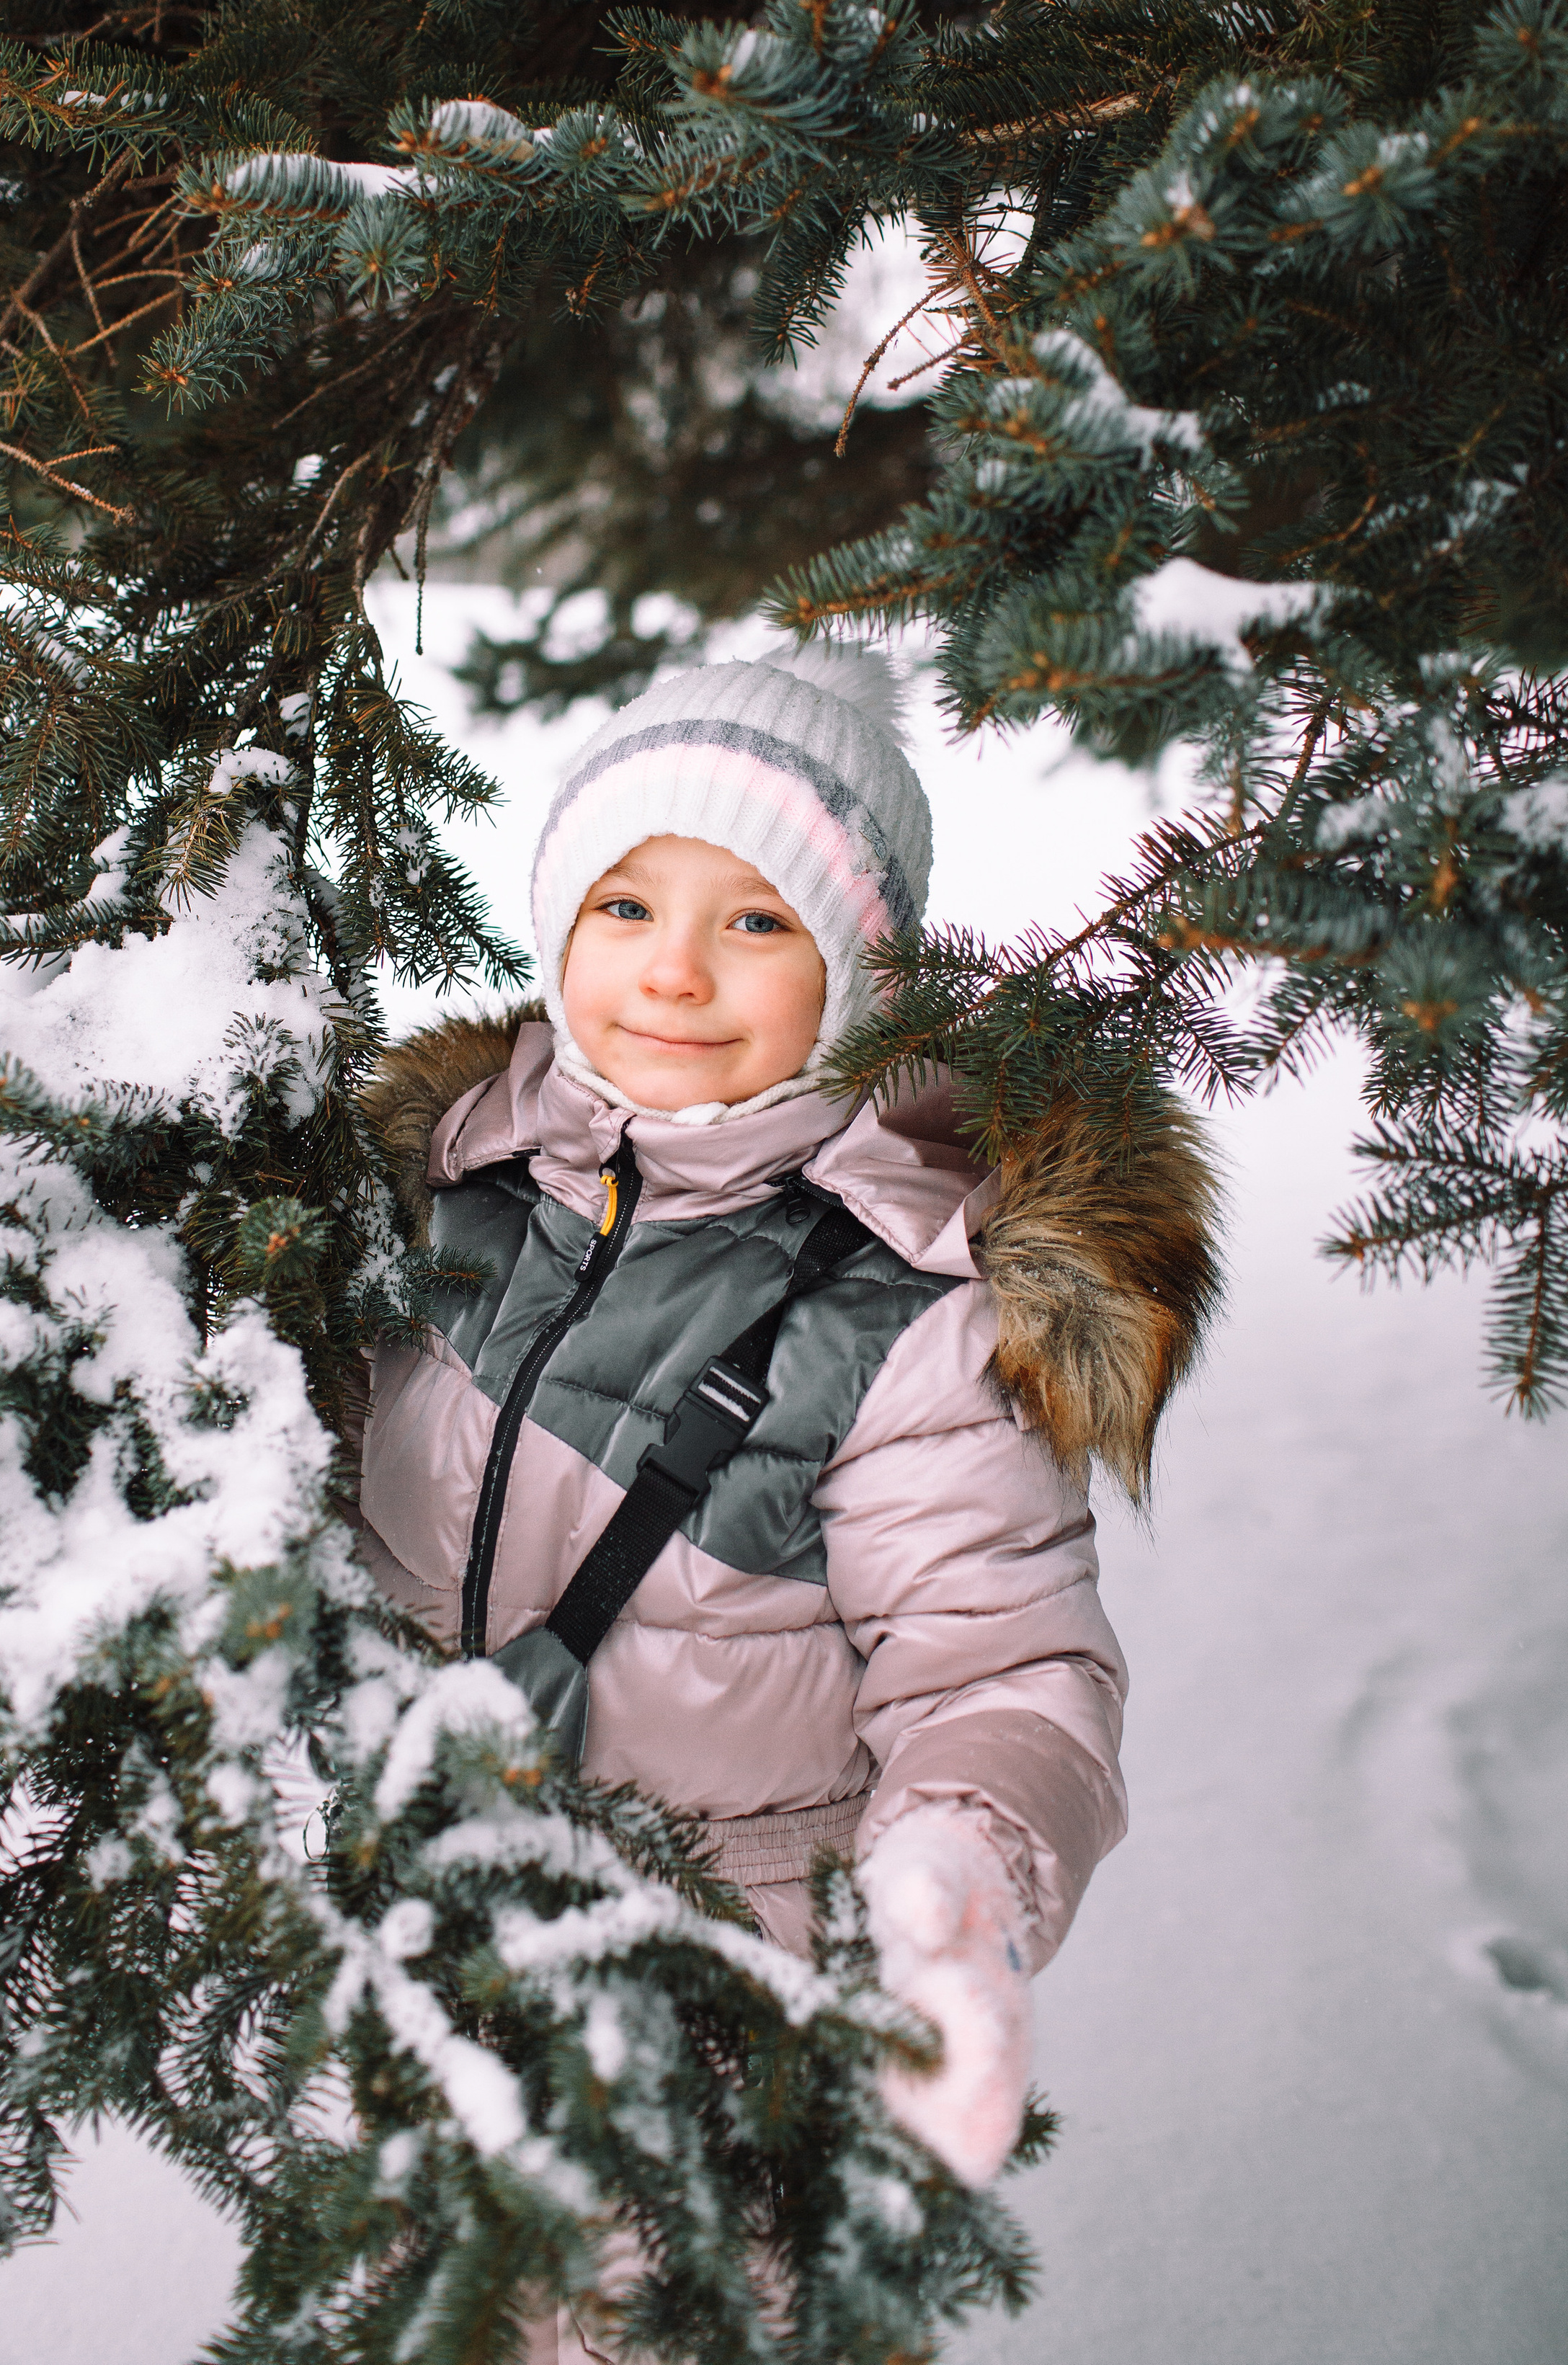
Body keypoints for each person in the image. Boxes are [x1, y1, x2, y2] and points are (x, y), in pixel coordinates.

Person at [355, 645, 1217, 2226]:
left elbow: (998, 1667)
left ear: (859, 978)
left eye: (754, 921)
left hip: (724, 1976)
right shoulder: (450, 1196)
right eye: (626, 908)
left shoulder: (903, 1314)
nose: (673, 974)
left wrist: (955, 1880)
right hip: (438, 1930)